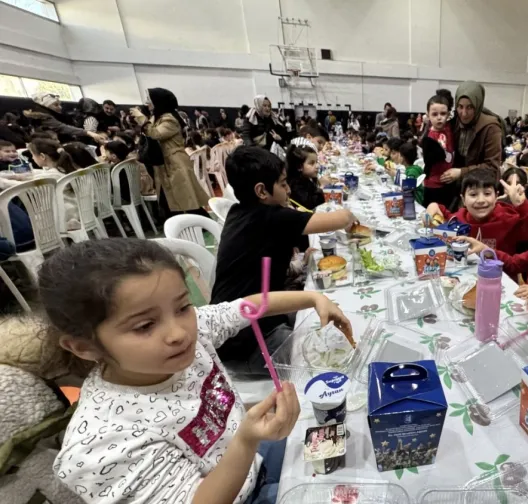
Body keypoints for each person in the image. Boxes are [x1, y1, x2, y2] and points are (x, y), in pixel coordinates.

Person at [41, 238, 350, 504]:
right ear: (83, 347)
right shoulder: (103, 443)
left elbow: (248, 306)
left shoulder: (193, 329)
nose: (179, 332)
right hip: (245, 486)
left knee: (352, 439)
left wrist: (313, 298)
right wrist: (245, 441)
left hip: (256, 458)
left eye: (182, 306)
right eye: (145, 325)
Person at [211, 147, 356, 370]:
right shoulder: (272, 217)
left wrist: (296, 265)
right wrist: (347, 213)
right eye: (282, 183)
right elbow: (342, 218)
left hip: (241, 326)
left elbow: (258, 267)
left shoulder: (238, 212)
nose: (288, 189)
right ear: (261, 191)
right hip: (247, 343)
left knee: (327, 317)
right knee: (330, 358)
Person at [129, 87, 209, 217]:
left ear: (158, 101)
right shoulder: (157, 117)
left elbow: (156, 134)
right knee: (174, 200)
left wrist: (142, 119)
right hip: (165, 163)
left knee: (186, 199)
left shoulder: (169, 119)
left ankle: (202, 225)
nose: (147, 103)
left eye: (149, 100)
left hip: (175, 162)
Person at [423, 168, 528, 255]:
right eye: (473, 194)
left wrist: (523, 205)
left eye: (487, 194)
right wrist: (433, 205)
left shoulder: (509, 219)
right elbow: (444, 214)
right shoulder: (459, 218)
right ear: (463, 199)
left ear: (496, 196)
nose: (481, 200)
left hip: (500, 280)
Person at [447, 81, 505, 185]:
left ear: (478, 105)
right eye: (460, 107)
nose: (464, 114)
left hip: (483, 186)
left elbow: (492, 167)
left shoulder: (491, 127)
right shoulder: (455, 123)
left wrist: (461, 172)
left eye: (470, 107)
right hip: (461, 184)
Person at [23, 92, 107, 144]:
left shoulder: (39, 115)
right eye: (56, 105)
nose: (60, 107)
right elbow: (62, 127)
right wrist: (89, 133)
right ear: (46, 106)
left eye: (60, 104)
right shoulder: (44, 116)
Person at [420, 94, 458, 207]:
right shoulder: (429, 138)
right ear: (428, 116)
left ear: (448, 115)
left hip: (449, 182)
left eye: (443, 114)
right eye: (435, 114)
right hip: (433, 186)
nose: (439, 117)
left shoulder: (449, 128)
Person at [285, 143, 326, 211]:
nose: (317, 166)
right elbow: (311, 204)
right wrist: (322, 187)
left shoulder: (306, 179)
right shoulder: (296, 185)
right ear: (299, 166)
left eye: (316, 162)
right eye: (312, 163)